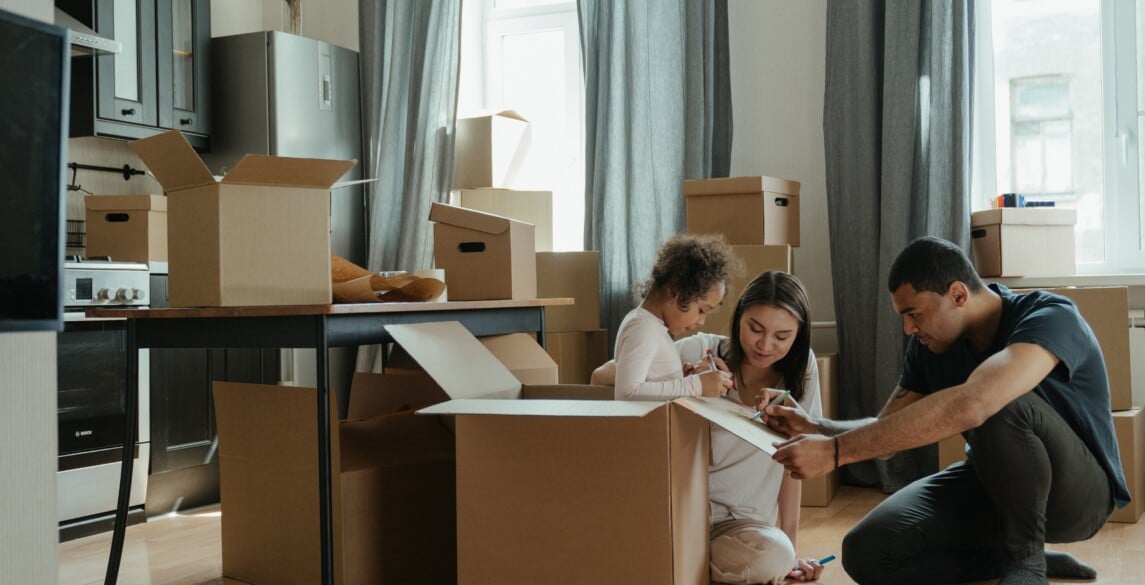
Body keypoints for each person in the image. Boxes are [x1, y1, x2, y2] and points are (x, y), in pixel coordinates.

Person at [762, 236, 1129, 585]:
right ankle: (1004, 555)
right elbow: (886, 431)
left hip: (1079, 496)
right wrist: (818, 427)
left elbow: (977, 402)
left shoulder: (1050, 315)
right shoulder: (930, 346)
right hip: (992, 484)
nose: (908, 328)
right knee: (866, 552)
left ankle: (1026, 561)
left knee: (998, 402)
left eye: (914, 314)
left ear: (957, 294)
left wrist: (835, 453)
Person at [595, 270, 831, 584]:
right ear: (738, 318)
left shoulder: (803, 372)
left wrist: (791, 547)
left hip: (742, 527)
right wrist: (686, 378)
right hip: (681, 512)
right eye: (755, 328)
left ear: (798, 336)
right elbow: (602, 376)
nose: (764, 345)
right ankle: (681, 560)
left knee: (777, 555)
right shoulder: (701, 350)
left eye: (782, 337)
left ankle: (677, 562)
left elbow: (794, 463)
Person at [610, 233, 738, 400]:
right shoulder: (643, 328)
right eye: (701, 310)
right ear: (674, 293)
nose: (701, 321)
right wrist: (696, 385)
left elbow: (652, 385)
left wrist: (682, 378)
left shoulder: (652, 327)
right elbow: (627, 393)